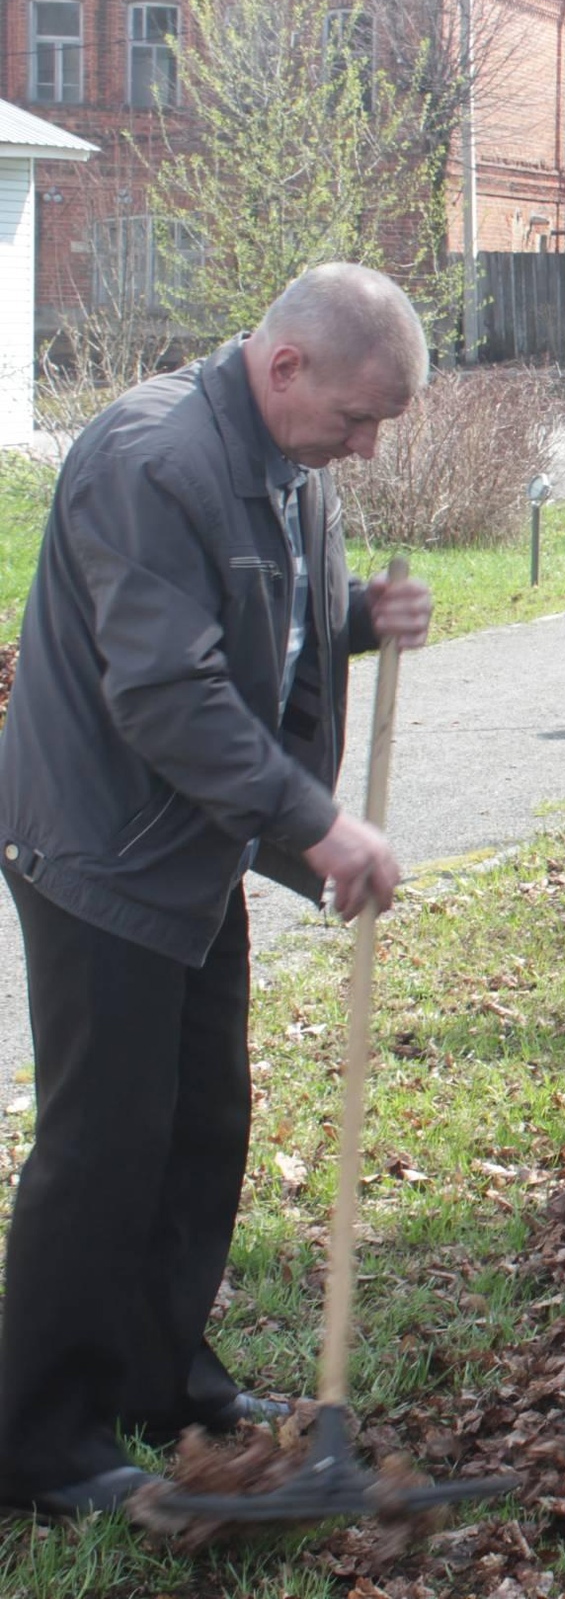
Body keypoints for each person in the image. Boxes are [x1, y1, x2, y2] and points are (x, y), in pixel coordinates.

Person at [0, 263, 436, 1513]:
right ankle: (43, 1445)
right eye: (357, 419)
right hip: (98, 848)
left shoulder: (284, 467)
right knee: (102, 1147)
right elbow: (167, 689)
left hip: (189, 848)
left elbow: (266, 618)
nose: (361, 448)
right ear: (284, 365)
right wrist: (322, 828)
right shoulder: (155, 458)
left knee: (200, 1126)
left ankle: (162, 1380)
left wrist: (356, 617)